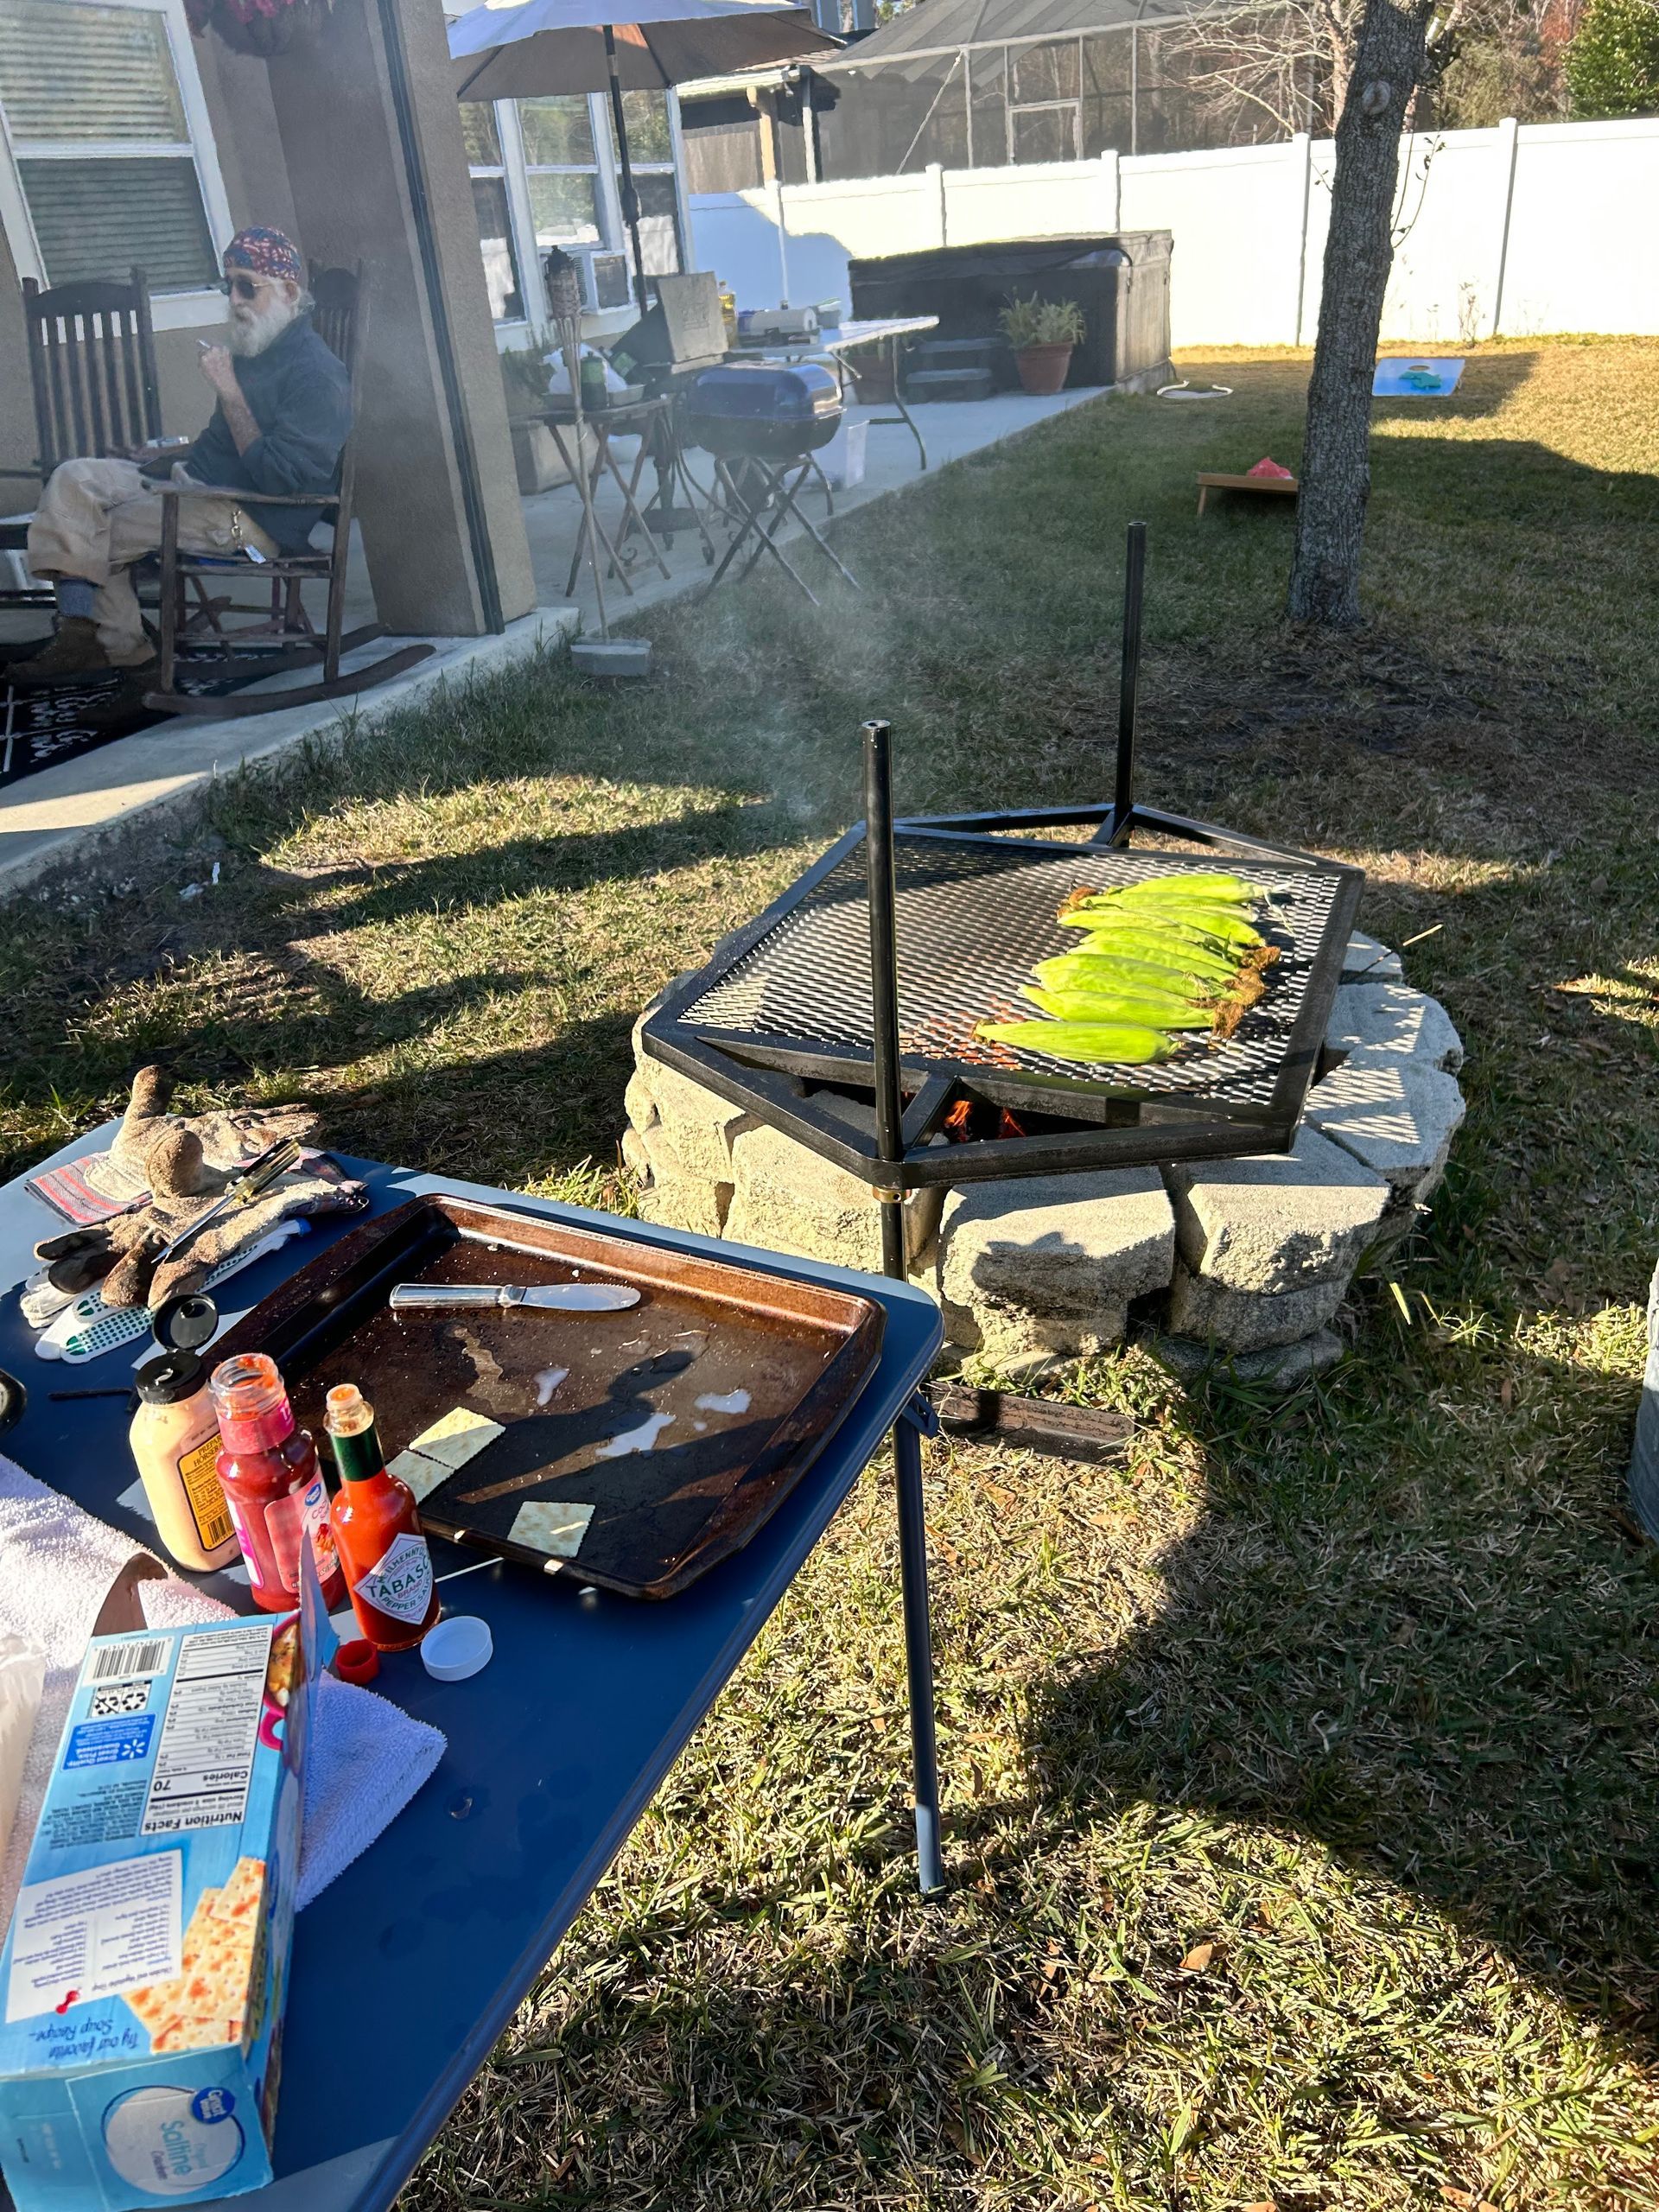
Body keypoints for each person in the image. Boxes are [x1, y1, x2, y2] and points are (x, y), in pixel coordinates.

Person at [14, 226, 352, 684]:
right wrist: (167, 451)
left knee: (94, 531)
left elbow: (278, 478)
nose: (233, 298)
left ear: (289, 292)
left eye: (246, 285)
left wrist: (229, 391)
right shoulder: (258, 346)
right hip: (195, 482)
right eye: (227, 284)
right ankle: (82, 635)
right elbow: (230, 441)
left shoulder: (318, 376)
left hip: (251, 513)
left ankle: (125, 655)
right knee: (74, 479)